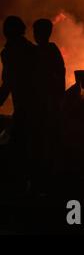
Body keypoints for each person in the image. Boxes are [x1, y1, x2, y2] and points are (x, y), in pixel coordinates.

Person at [0, 16, 36, 189]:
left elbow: (8, 81)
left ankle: (21, 185)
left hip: (24, 104)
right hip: (37, 103)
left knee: (19, 143)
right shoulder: (31, 49)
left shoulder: (10, 52)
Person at [32, 18, 66, 190]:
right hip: (45, 99)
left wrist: (58, 95)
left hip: (46, 100)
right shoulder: (44, 50)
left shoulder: (45, 51)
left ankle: (49, 175)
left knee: (47, 136)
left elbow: (58, 74)